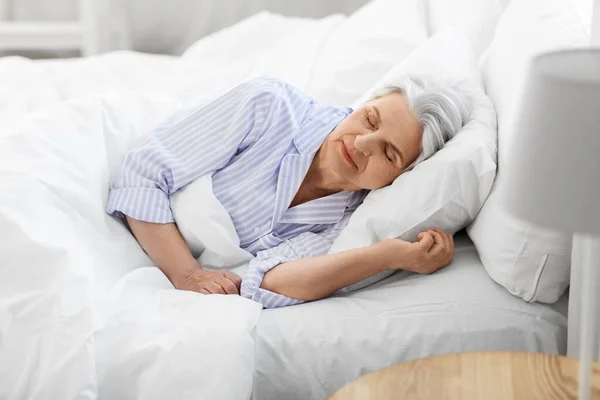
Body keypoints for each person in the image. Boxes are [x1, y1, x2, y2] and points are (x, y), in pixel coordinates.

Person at [106, 76, 471, 308]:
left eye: (388, 153)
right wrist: (187, 275)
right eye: (370, 119)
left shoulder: (352, 217)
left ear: (401, 177)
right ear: (364, 104)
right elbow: (143, 174)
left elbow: (270, 281)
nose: (362, 143)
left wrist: (389, 255)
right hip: (116, 225)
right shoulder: (268, 107)